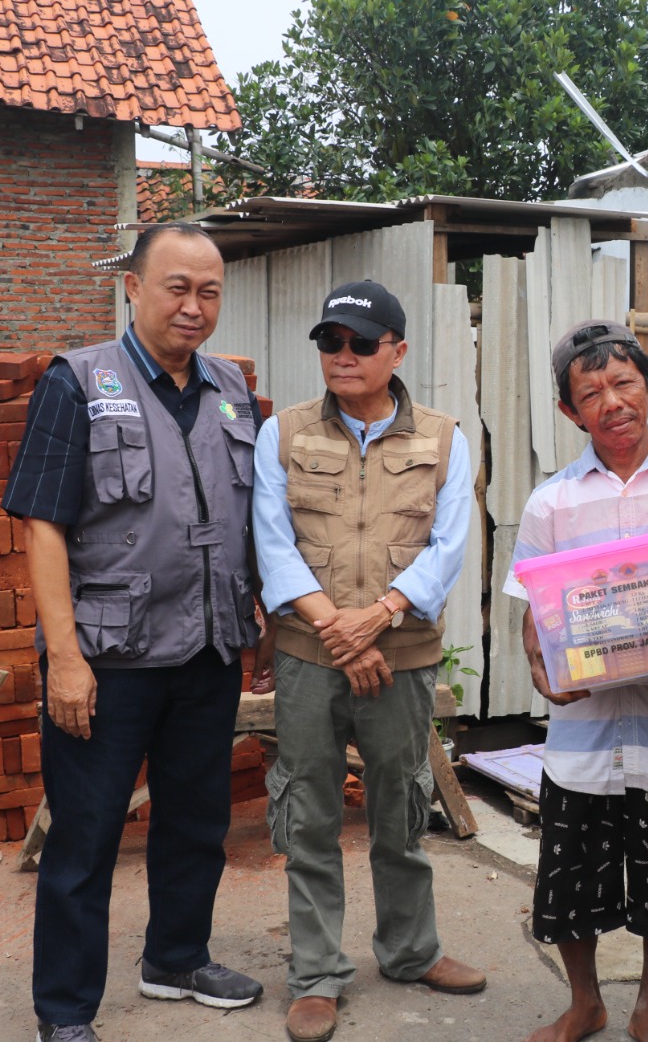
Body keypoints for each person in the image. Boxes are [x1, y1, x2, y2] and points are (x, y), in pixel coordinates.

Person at [3, 223, 266, 1042]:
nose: (193, 307)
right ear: (133, 288)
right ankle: (66, 1010)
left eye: (209, 291)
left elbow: (249, 515)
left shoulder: (230, 388)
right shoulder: (78, 381)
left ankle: (177, 957)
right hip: (109, 661)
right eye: (177, 287)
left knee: (196, 822)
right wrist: (66, 660)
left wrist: (252, 618)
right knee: (85, 840)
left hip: (209, 649)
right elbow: (43, 527)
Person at [253, 280, 484, 1042]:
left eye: (360, 343)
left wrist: (377, 619)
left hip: (402, 653)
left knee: (401, 805)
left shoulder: (447, 438)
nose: (343, 357)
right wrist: (337, 633)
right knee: (309, 809)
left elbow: (448, 549)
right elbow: (272, 544)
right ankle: (316, 975)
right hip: (309, 654)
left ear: (398, 351)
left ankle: (412, 951)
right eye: (330, 342)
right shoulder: (282, 434)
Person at [504, 320, 648, 1042]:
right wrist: (543, 668)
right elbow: (529, 610)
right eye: (591, 392)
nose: (611, 401)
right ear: (572, 412)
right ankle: (585, 1003)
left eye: (623, 383)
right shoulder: (552, 503)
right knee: (573, 881)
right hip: (586, 735)